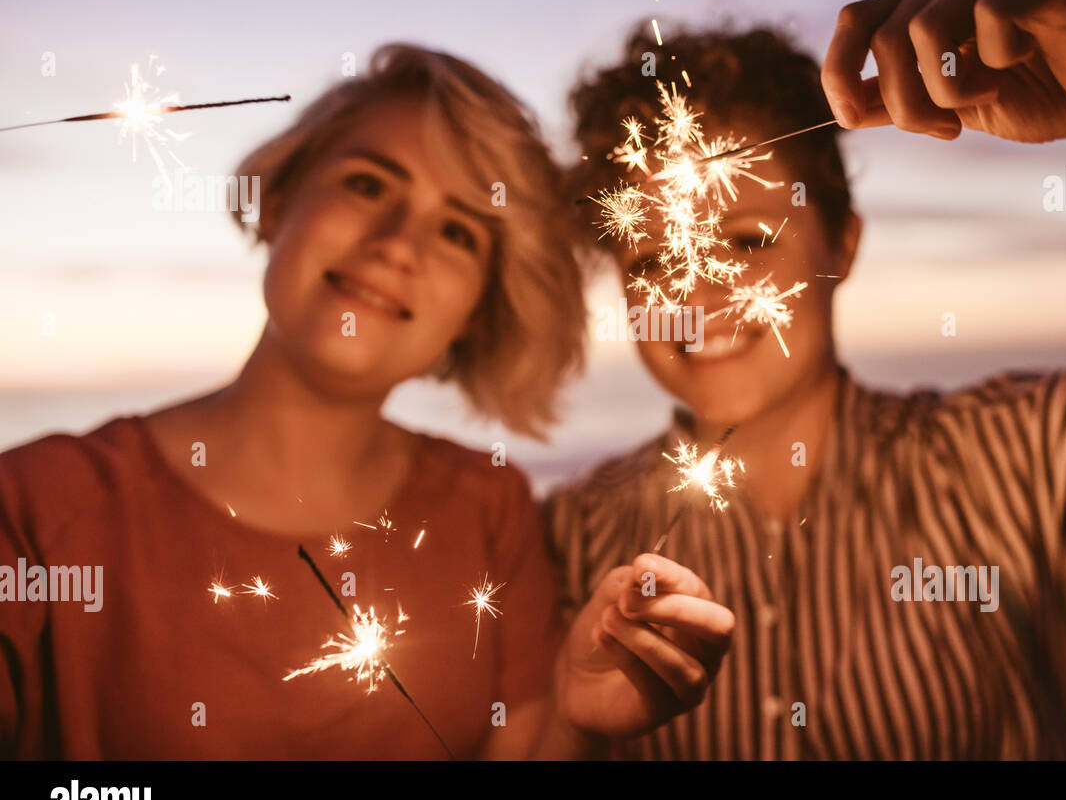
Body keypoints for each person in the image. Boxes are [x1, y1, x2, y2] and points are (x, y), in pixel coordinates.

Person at [547, 0, 1066, 759]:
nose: (697, 291)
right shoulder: (566, 541)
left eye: (746, 237)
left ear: (844, 240)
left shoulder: (1013, 458)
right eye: (652, 258)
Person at [0, 44, 732, 759]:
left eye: (456, 230)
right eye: (368, 185)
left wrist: (577, 723)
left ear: (480, 308)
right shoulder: (36, 507)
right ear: (279, 197)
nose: (396, 244)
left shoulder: (490, 510)